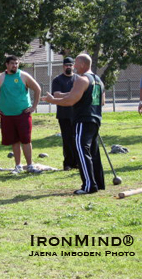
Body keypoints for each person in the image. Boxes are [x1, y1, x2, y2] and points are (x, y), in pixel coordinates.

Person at [42, 54, 106, 195]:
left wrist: (52, 101)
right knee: (93, 152)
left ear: (82, 64)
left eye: (76, 64)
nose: (74, 67)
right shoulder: (98, 80)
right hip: (95, 119)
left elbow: (71, 100)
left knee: (82, 151)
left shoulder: (82, 80)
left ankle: (89, 186)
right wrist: (56, 97)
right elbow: (101, 101)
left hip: (83, 120)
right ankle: (98, 183)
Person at [0, 55, 42, 174]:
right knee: (14, 141)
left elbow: (37, 89)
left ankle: (30, 165)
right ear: (7, 65)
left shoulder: (24, 76)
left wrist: (34, 106)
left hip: (23, 114)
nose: (15, 66)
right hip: (7, 115)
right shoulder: (0, 78)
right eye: (12, 63)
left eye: (16, 63)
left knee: (26, 140)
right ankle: (18, 166)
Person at [51, 57, 78, 171]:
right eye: (66, 65)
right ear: (63, 66)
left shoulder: (78, 79)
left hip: (77, 114)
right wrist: (73, 94)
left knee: (77, 138)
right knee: (67, 139)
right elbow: (56, 95)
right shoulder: (58, 80)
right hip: (63, 114)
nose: (68, 67)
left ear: (73, 66)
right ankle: (67, 163)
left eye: (70, 65)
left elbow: (81, 94)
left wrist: (67, 95)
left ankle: (77, 162)